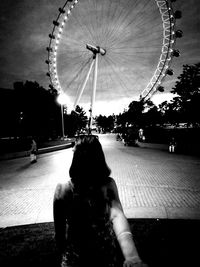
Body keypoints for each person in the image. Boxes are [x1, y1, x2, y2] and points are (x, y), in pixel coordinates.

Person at [53, 135, 148, 267]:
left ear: (75, 158)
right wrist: (131, 256)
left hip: (85, 257)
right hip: (98, 256)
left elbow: (60, 234)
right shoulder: (106, 185)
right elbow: (117, 214)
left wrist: (132, 255)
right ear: (99, 157)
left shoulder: (64, 189)